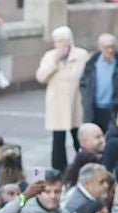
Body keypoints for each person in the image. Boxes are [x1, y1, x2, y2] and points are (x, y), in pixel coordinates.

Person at [37, 27, 91, 170]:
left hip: (76, 102)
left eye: (61, 41)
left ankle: (84, 165)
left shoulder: (81, 54)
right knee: (58, 139)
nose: (58, 44)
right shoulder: (50, 56)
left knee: (78, 136)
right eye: (56, 41)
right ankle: (59, 169)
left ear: (69, 40)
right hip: (58, 104)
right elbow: (41, 76)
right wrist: (54, 61)